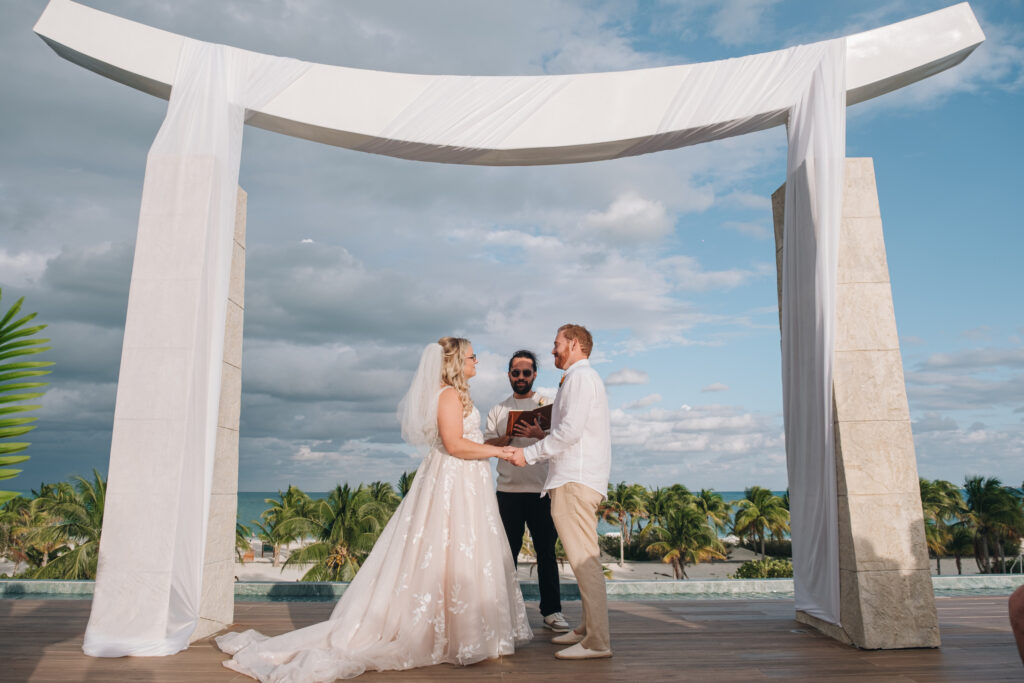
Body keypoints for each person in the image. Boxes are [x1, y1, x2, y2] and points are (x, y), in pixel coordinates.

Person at [216, 337, 532, 680]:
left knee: (461, 551)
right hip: (453, 482)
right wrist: (502, 454)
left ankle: (464, 632)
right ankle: (449, 634)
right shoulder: (448, 395)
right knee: (448, 548)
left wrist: (498, 443)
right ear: (457, 362)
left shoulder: (454, 395)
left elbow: (464, 440)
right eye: (472, 357)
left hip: (465, 481)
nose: (477, 361)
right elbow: (454, 445)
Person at [508, 324, 612, 660]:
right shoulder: (577, 379)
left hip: (575, 481)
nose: (553, 350)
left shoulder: (581, 379)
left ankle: (598, 642)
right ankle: (586, 628)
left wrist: (528, 453)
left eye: (557, 345)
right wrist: (543, 434)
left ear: (576, 344)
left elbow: (568, 434)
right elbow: (568, 432)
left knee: (584, 561)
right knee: (583, 557)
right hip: (572, 478)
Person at [483, 350, 569, 634]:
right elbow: (485, 445)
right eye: (516, 372)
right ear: (509, 375)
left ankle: (552, 611)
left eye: (526, 372)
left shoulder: (549, 405)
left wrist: (538, 435)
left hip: (541, 491)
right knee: (507, 555)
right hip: (507, 492)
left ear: (534, 374)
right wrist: (505, 437)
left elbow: (561, 442)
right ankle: (504, 611)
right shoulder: (498, 410)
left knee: (546, 552)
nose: (521, 377)